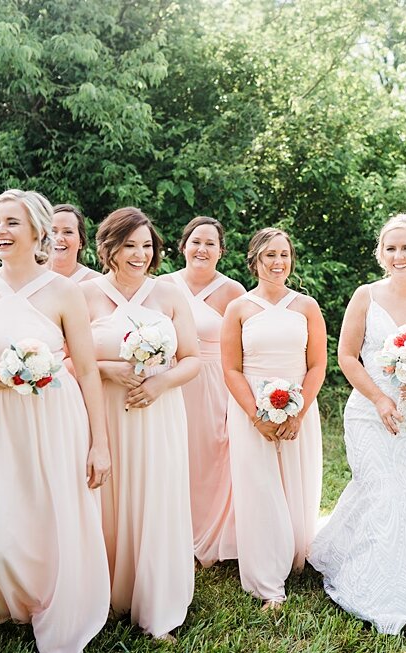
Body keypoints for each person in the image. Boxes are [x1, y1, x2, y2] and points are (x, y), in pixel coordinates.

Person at [0, 189, 110, 653]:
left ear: (37, 231)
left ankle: (55, 597)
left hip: (55, 415)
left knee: (54, 509)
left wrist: (100, 443)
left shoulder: (64, 290)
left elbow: (87, 369)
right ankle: (12, 595)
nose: (0, 231)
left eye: (11, 222)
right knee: (3, 507)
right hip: (0, 417)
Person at [308, 214, 406, 634]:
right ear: (381, 253)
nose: (399, 255)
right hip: (368, 409)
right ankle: (373, 584)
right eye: (391, 248)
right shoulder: (365, 296)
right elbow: (345, 356)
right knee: (382, 487)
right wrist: (378, 398)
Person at [81, 207, 200, 638]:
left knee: (155, 495)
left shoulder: (169, 294)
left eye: (146, 246)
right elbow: (70, 360)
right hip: (105, 412)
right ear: (109, 247)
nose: (139, 254)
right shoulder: (86, 295)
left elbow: (191, 361)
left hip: (158, 414)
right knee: (106, 499)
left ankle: (157, 604)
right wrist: (108, 368)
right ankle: (104, 593)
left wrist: (160, 383)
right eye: (129, 245)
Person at [220, 227, 326, 610]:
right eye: (269, 255)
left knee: (295, 483)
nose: (278, 262)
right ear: (254, 260)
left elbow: (317, 364)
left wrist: (297, 411)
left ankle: (294, 555)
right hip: (251, 409)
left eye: (284, 255)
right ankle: (268, 582)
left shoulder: (307, 306)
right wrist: (256, 415)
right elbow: (230, 368)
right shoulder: (239, 308)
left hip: (299, 409)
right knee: (259, 488)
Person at [164, 216, 245, 567]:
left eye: (210, 243)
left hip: (214, 382)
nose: (202, 249)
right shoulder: (161, 287)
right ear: (183, 246)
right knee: (171, 453)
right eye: (196, 241)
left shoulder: (233, 292)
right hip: (170, 380)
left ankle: (208, 536)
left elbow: (243, 351)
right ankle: (170, 532)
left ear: (221, 252)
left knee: (212, 456)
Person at [48, 203, 99, 281]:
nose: (58, 238)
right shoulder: (29, 277)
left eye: (68, 232)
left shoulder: (96, 282)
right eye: (53, 231)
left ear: (80, 242)